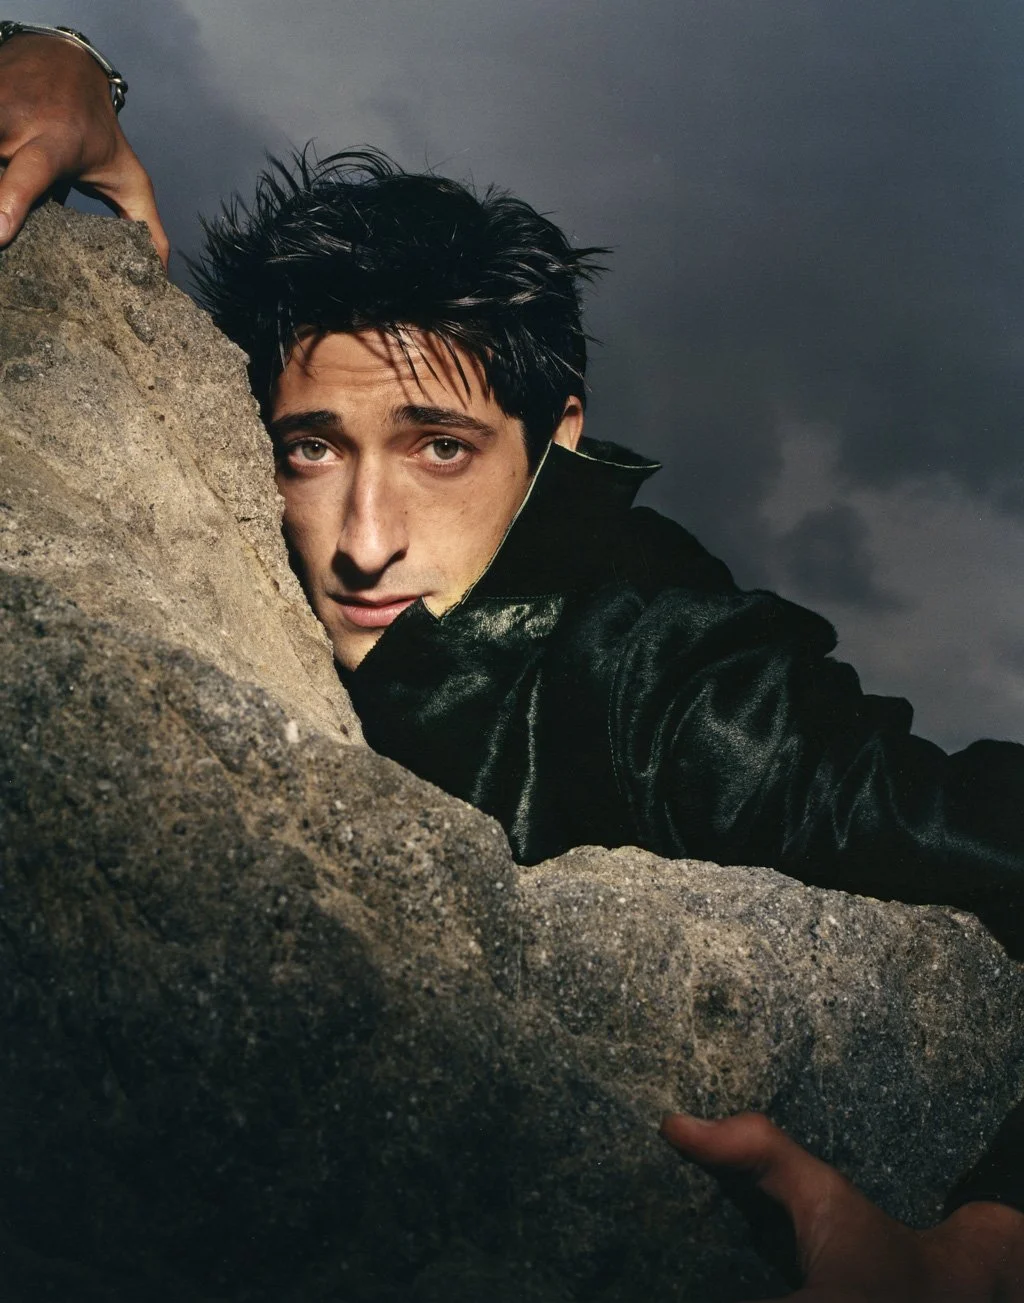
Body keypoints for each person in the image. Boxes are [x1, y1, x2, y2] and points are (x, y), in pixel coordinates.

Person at [1, 24, 1022, 1301]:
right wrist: (62, 57)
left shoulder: (678, 687)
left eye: (440, 447)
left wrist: (986, 1251)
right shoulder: (240, 569)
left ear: (555, 443)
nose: (364, 544)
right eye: (310, 448)